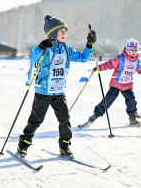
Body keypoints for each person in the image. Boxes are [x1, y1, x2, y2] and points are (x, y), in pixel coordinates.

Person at [17, 14, 96, 159]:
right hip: (44, 91)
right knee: (36, 120)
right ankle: (23, 146)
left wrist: (89, 44)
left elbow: (83, 58)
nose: (65, 33)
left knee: (65, 120)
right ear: (53, 32)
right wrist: (41, 46)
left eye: (65, 31)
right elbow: (33, 57)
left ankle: (65, 147)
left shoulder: (67, 49)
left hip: (59, 91)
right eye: (62, 31)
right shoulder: (45, 48)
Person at [87, 38, 141, 127]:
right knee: (108, 99)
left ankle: (132, 118)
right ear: (128, 49)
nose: (134, 52)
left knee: (132, 101)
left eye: (135, 50)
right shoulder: (120, 58)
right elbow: (109, 64)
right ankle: (96, 114)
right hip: (116, 84)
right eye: (132, 50)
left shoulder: (138, 61)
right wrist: (98, 68)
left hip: (128, 85)